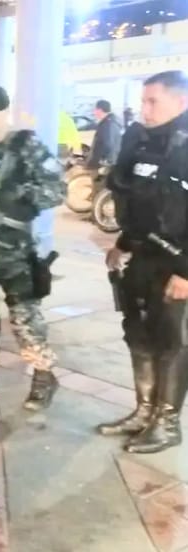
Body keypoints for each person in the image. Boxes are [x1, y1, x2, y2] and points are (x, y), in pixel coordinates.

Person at [0, 85, 66, 410]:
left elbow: (57, 189)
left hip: (15, 252)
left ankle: (43, 376)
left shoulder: (25, 145)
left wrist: (18, 197)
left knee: (25, 320)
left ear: (5, 112)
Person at [98, 70, 188, 454]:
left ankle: (167, 423)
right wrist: (122, 244)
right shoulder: (143, 143)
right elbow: (140, 203)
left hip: (177, 263)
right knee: (138, 333)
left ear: (181, 101)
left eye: (154, 101)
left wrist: (186, 272)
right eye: (143, 101)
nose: (145, 109)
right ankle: (145, 411)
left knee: (172, 342)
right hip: (141, 257)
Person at [87, 99, 123, 171]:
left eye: (95, 110)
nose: (94, 112)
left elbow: (108, 145)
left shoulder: (107, 124)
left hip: (103, 165)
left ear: (100, 110)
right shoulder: (111, 122)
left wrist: (100, 161)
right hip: (108, 162)